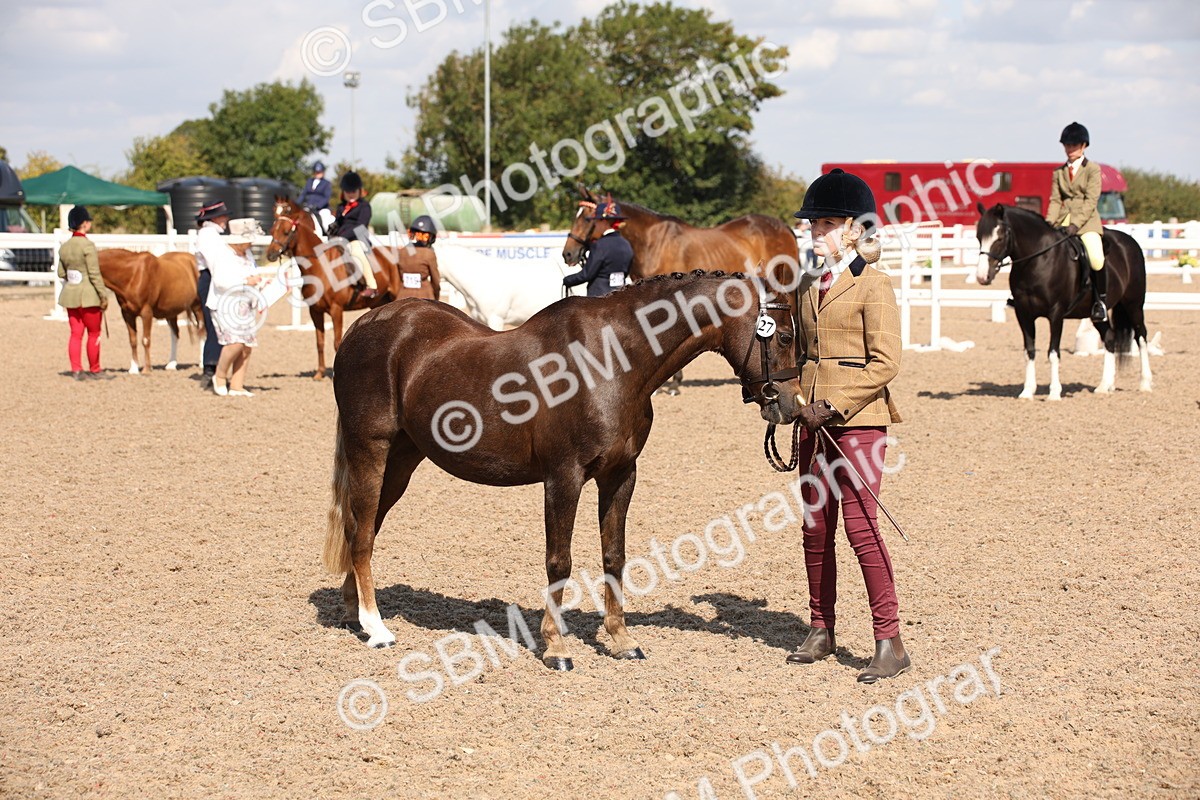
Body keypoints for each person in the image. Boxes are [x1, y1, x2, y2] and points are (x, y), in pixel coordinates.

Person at [787, 168, 908, 684]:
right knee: (816, 528)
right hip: (810, 421)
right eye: (813, 224)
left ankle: (890, 640)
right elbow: (799, 352)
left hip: (858, 423)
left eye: (826, 224)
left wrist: (832, 405)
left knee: (861, 529)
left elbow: (886, 362)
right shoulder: (806, 285)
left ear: (855, 230)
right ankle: (821, 628)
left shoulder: (874, 284)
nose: (816, 232)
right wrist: (789, 399)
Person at [197, 210, 263, 396]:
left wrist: (257, 281)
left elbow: (251, 273)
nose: (251, 243)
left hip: (244, 305)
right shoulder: (223, 254)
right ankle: (219, 376)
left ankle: (237, 385)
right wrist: (245, 282)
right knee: (234, 343)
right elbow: (220, 281)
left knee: (246, 346)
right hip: (225, 305)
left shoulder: (247, 255)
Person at [1046, 121, 1106, 323]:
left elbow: (1091, 200)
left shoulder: (1093, 169)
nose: (1070, 149)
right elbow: (1055, 200)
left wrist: (1076, 224)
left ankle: (1100, 302)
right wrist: (1048, 224)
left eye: (1074, 145)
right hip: (1063, 220)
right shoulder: (1058, 172)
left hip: (1086, 222)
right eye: (1067, 145)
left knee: (1096, 259)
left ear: (1084, 146)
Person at [57, 206, 108, 379]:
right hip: (88, 297)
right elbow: (94, 274)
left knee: (75, 334)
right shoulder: (88, 246)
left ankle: (76, 369)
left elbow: (61, 273)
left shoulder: (64, 247)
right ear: (84, 224)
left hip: (70, 296)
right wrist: (103, 295)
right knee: (94, 333)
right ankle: (95, 369)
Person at [562, 195, 633, 297]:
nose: (595, 225)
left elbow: (586, 274)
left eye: (596, 222)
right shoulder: (626, 245)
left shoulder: (599, 245)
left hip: (599, 298)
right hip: (620, 297)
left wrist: (567, 280)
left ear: (604, 222)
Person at [194, 200, 231, 387]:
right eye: (223, 216)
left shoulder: (212, 234)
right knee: (213, 324)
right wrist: (225, 282)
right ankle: (210, 368)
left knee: (219, 324)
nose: (226, 219)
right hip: (212, 279)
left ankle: (216, 368)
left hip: (216, 278)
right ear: (215, 217)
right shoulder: (208, 235)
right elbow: (214, 262)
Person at [327, 171, 377, 299]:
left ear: (359, 191)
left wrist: (342, 237)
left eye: (353, 191)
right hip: (340, 239)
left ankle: (371, 286)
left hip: (358, 238)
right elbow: (339, 223)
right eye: (348, 191)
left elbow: (361, 226)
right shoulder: (341, 207)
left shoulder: (364, 207)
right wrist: (332, 228)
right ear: (343, 192)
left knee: (357, 252)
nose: (351, 194)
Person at [396, 215, 442, 301]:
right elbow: (435, 281)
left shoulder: (401, 252)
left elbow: (397, 277)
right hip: (424, 296)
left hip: (402, 296)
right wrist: (436, 296)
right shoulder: (429, 254)